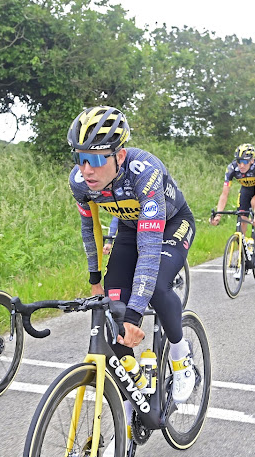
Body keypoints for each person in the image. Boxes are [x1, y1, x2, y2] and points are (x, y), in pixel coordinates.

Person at [68, 105, 196, 406]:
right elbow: (91, 230)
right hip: (128, 228)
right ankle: (133, 397)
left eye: (97, 159)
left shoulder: (145, 172)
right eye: (80, 158)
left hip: (171, 225)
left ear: (120, 156)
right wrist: (95, 279)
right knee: (115, 312)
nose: (87, 170)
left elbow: (150, 248)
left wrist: (136, 312)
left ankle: (180, 357)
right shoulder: (79, 184)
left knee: (158, 285)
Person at [210, 143, 255, 263]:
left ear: (252, 160)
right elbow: (224, 194)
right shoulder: (231, 168)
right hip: (246, 189)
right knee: (242, 219)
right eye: (239, 161)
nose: (241, 165)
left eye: (245, 161)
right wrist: (218, 215)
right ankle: (241, 260)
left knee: (254, 202)